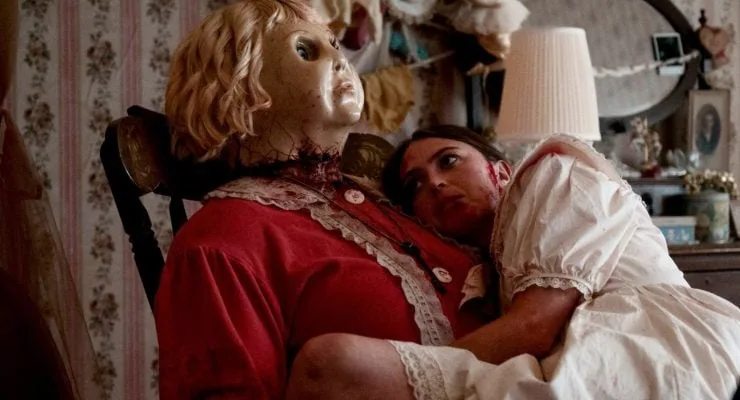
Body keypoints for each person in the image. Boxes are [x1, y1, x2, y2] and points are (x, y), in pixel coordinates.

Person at [155, 2, 492, 399]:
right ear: (240, 85)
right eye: (305, 50)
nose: (340, 59)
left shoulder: (384, 202)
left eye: (334, 45)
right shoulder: (221, 243)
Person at [287, 126, 740, 400]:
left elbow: (535, 326)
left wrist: (414, 369)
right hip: (565, 352)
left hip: (651, 342)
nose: (436, 183)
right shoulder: (484, 268)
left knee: (331, 365)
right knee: (329, 365)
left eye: (449, 161)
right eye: (415, 186)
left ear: (500, 171)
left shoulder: (552, 175)